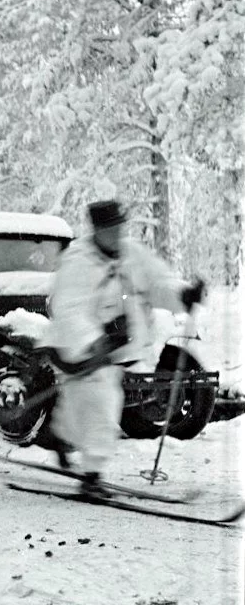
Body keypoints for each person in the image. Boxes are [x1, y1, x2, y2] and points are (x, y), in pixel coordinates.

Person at [45, 200, 204, 497]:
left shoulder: (133, 254)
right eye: (111, 229)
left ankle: (60, 436)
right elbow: (67, 307)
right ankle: (91, 477)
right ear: (97, 230)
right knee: (101, 401)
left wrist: (183, 295)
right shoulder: (78, 260)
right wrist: (92, 340)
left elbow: (156, 284)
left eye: (120, 227)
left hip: (115, 346)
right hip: (76, 346)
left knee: (82, 399)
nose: (117, 234)